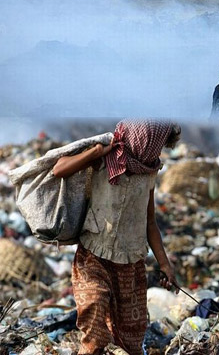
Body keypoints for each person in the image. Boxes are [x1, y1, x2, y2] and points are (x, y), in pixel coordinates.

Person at [52, 119, 181, 355]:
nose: (157, 149)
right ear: (145, 139)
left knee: (130, 340)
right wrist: (95, 152)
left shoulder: (149, 171)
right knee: (94, 319)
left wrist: (165, 264)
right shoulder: (106, 157)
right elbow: (59, 169)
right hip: (94, 255)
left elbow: (149, 222)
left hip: (130, 265)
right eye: (156, 143)